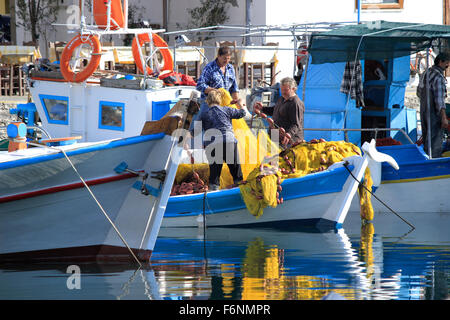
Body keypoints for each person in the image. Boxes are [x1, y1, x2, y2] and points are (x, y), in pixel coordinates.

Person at [199, 89, 246, 191]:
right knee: (236, 173)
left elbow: (196, 131)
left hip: (213, 145)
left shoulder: (204, 114)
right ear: (219, 100)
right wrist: (240, 102)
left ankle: (213, 195)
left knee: (214, 175)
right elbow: (242, 113)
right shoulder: (226, 109)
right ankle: (240, 194)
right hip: (229, 141)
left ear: (208, 101)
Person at [253, 77, 305, 146]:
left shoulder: (295, 103)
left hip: (288, 140)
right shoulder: (282, 98)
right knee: (272, 154)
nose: (283, 92)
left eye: (286, 90)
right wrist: (262, 108)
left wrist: (288, 134)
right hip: (275, 135)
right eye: (282, 89)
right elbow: (274, 110)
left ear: (293, 89)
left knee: (283, 156)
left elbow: (296, 124)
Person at [195, 46, 242, 121]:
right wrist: (215, 91)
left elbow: (234, 88)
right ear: (218, 56)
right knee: (199, 122)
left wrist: (237, 102)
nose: (226, 61)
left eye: (228, 59)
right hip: (209, 102)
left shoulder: (230, 68)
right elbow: (200, 85)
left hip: (225, 103)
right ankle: (194, 132)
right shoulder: (209, 68)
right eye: (224, 58)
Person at [417, 52, 450, 158]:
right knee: (434, 143)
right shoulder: (438, 77)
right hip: (434, 114)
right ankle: (434, 164)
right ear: (440, 62)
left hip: (423, 110)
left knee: (427, 140)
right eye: (447, 63)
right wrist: (444, 118)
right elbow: (440, 100)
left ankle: (427, 159)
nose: (447, 66)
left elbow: (418, 92)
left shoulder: (426, 73)